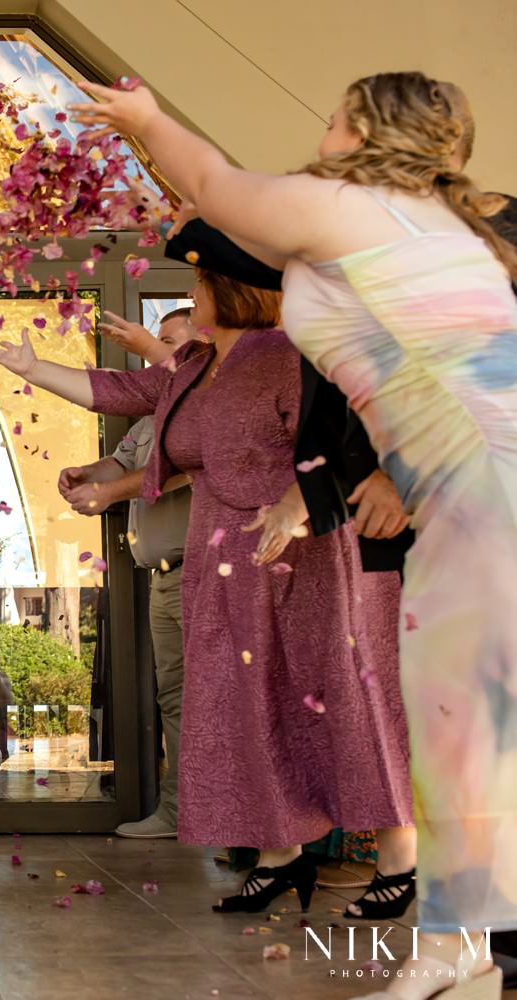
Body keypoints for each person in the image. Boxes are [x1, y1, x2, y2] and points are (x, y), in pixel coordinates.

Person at [73, 70, 517, 998]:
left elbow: (218, 187)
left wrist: (149, 117)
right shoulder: (441, 225)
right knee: (458, 723)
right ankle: (457, 945)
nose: (321, 126)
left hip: (484, 490)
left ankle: (461, 944)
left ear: (363, 129)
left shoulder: (351, 210)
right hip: (463, 502)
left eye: (333, 113)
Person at [0, 268, 414, 921]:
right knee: (242, 705)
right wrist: (34, 367)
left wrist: (300, 508)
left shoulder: (287, 356)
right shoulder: (194, 364)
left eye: (200, 287)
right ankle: (279, 856)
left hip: (299, 557)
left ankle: (401, 860)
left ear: (235, 291)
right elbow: (120, 390)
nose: (192, 298)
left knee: (341, 700)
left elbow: (338, 447)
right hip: (223, 559)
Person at [66, 308, 197, 839]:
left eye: (168, 342)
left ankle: (235, 821)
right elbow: (119, 466)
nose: (154, 350)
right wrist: (86, 475)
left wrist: (109, 493)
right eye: (157, 340)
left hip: (201, 574)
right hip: (161, 579)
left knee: (215, 696)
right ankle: (180, 812)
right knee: (175, 698)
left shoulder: (203, 414)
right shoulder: (148, 418)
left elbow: (179, 469)